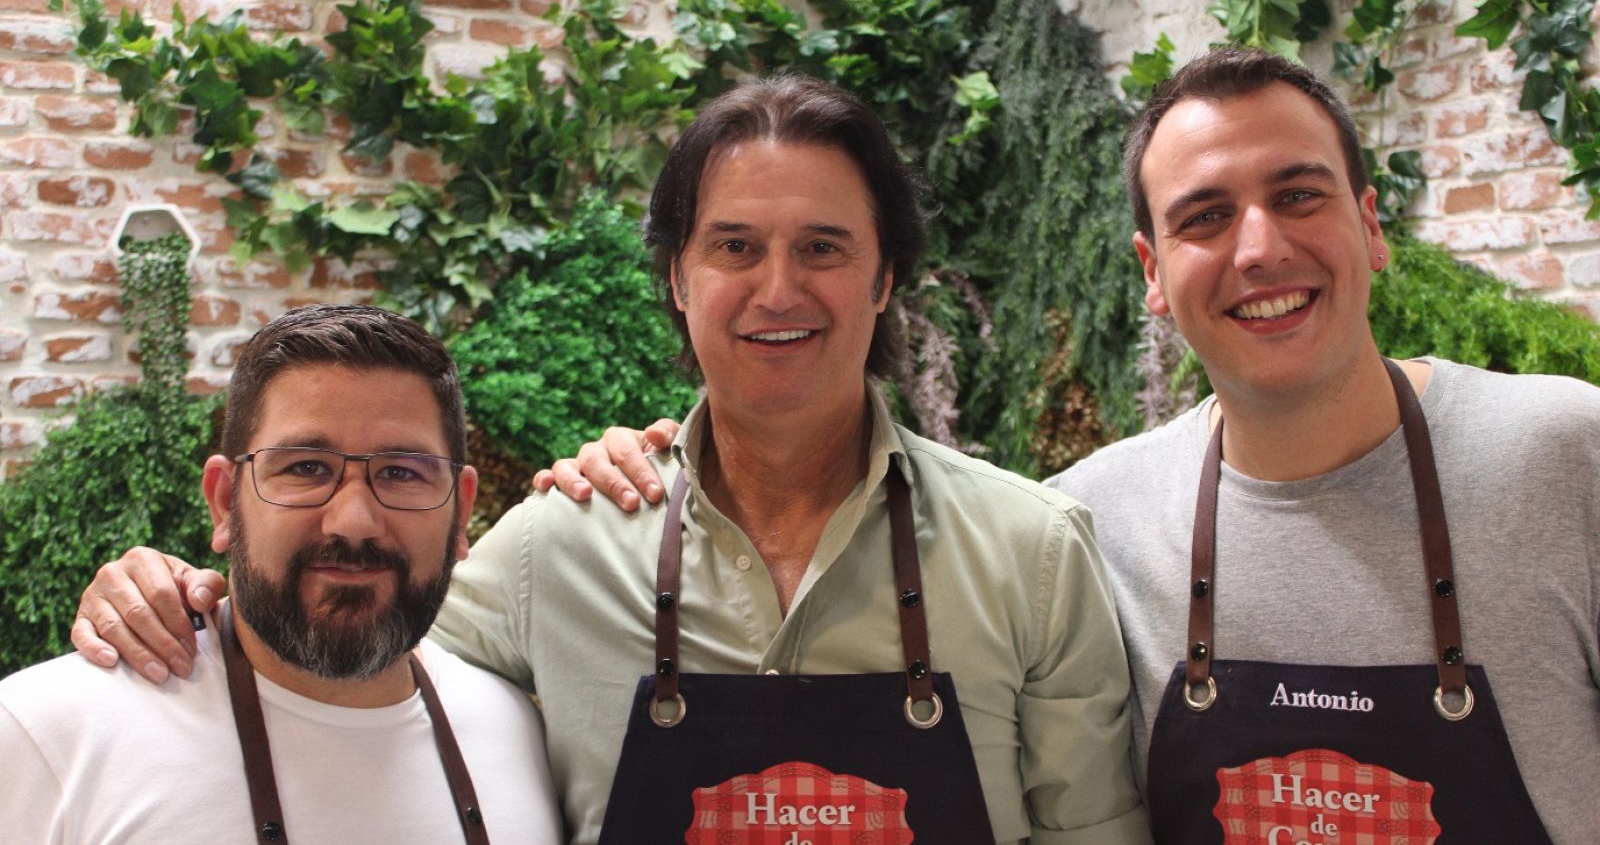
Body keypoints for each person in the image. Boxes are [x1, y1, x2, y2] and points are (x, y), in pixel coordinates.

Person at [533, 49, 1600, 844]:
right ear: (1151, 269)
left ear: (1370, 223)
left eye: (1297, 195)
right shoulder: (1099, 517)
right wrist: (655, 466)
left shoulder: (1563, 454)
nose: (1260, 246)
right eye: (1204, 217)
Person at [67, 76, 1152, 844]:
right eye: (734, 246)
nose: (778, 288)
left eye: (822, 247)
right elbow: (343, 619)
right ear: (678, 279)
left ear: (883, 280)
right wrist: (177, 591)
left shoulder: (1031, 553)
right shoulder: (559, 545)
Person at [1, 304, 562, 843]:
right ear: (224, 502)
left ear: (460, 512)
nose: (355, 523)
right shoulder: (46, 734)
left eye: (400, 472)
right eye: (306, 468)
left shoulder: (512, 728)